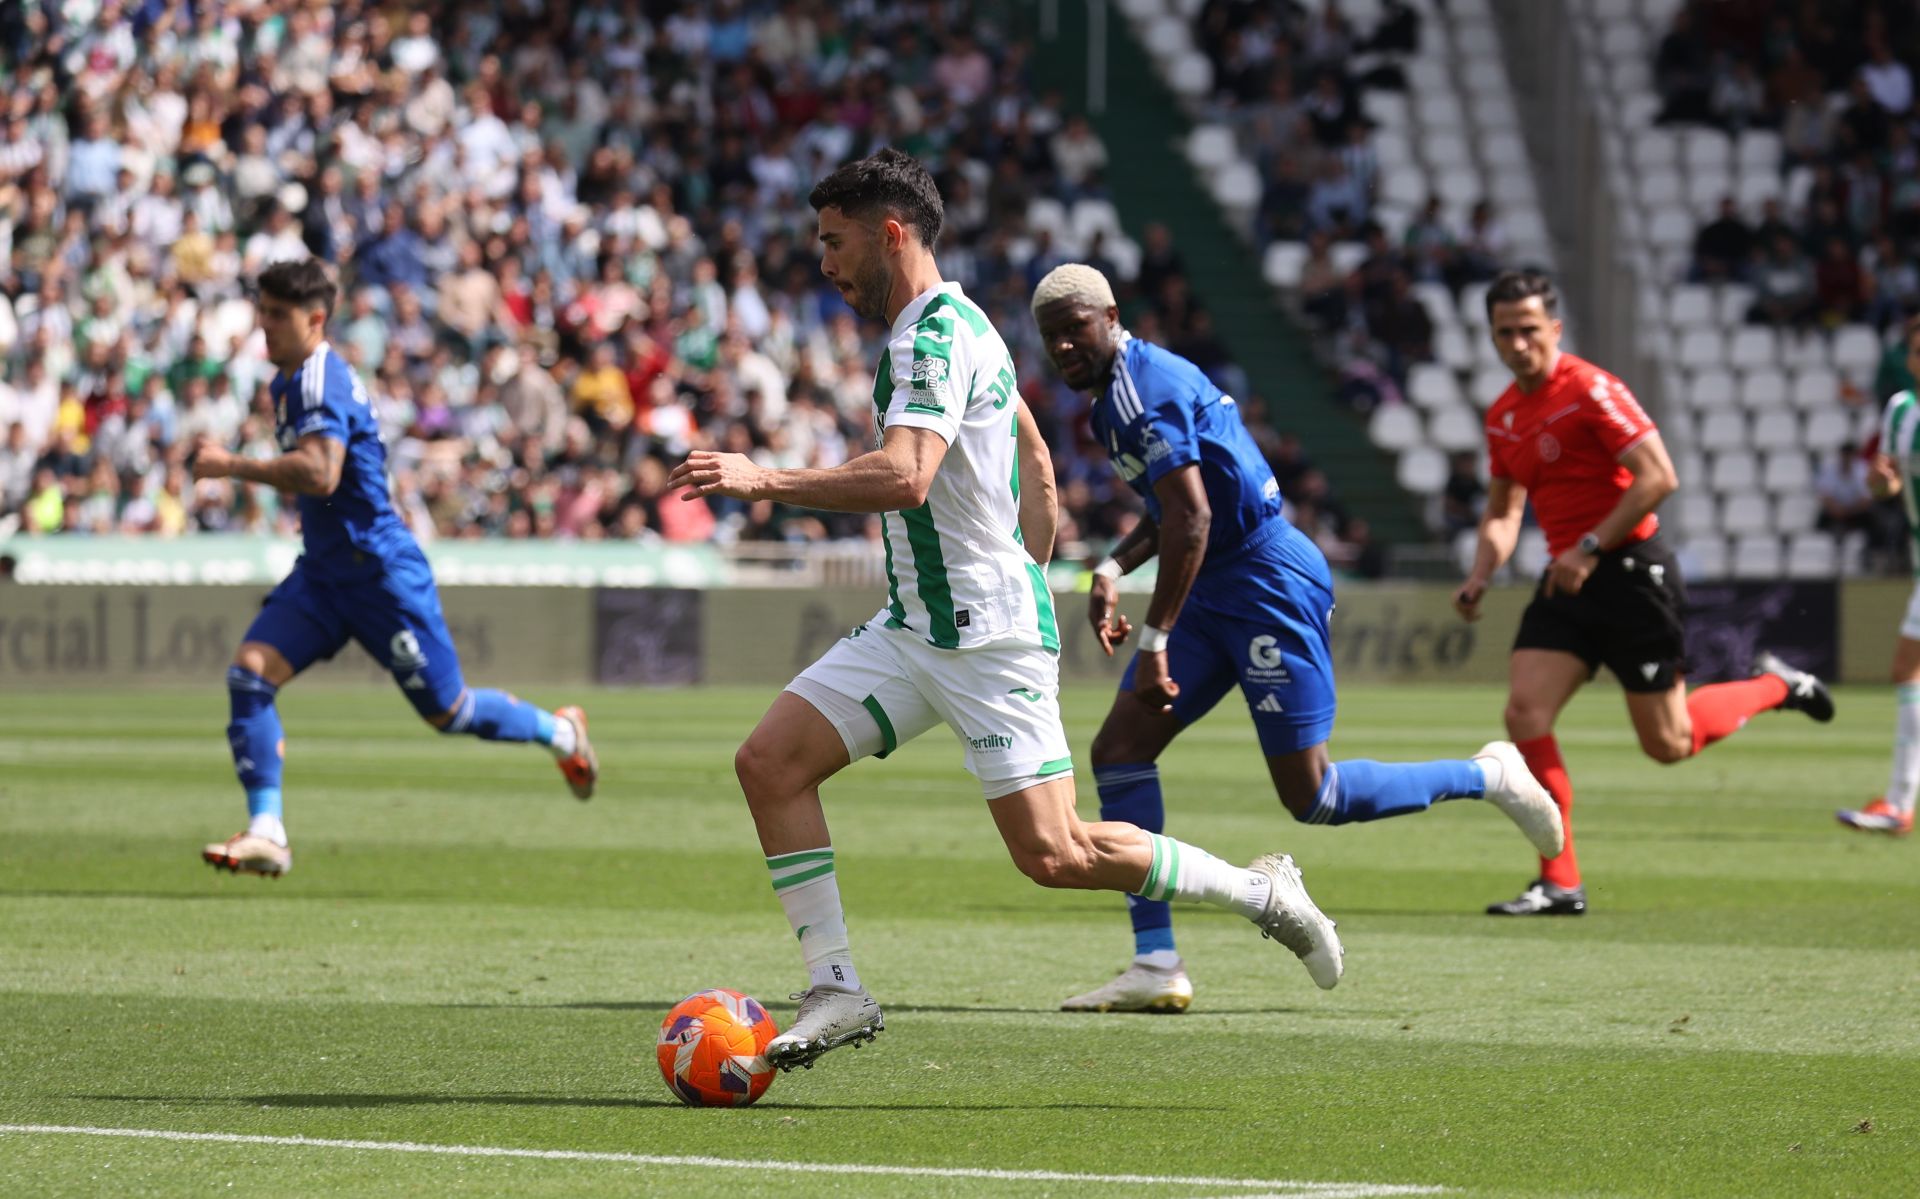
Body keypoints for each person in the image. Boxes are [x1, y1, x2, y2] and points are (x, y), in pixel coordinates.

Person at [667, 150, 1343, 1071]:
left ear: (890, 234)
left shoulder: (930, 339)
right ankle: (836, 987)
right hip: (918, 624)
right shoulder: (967, 322)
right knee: (770, 763)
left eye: (834, 242)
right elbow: (1032, 447)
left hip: (986, 637)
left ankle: (1262, 893)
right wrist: (1033, 539)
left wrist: (762, 479)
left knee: (1056, 854)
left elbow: (907, 476)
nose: (823, 263)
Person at [1030, 264, 1560, 1013]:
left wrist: (1153, 641)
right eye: (1051, 335)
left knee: (1314, 795)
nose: (1063, 345)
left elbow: (1193, 519)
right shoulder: (1115, 399)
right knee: (1119, 749)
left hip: (1266, 581)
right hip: (1214, 583)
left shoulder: (1144, 390)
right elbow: (1177, 507)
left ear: (1111, 317)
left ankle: (1488, 775)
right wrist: (1113, 567)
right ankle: (1156, 961)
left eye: (1075, 327)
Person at [189, 260, 598, 877]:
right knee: (249, 675)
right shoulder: (290, 379)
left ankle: (562, 733)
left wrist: (232, 466)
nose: (264, 325)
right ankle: (268, 832)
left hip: (379, 574)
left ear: (315, 319)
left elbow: (321, 473)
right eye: (262, 311)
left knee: (450, 712)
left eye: (277, 314)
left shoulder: (318, 380)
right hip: (325, 572)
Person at [1454, 270, 1834, 915]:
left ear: (1555, 328)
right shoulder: (1504, 416)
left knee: (1668, 744)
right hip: (1567, 578)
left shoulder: (1592, 389)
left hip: (1631, 572)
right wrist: (1481, 574)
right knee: (1524, 715)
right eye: (1504, 332)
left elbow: (1658, 477)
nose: (1518, 344)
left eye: (1528, 329)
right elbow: (1503, 510)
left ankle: (1777, 685)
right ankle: (1560, 881)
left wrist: (1589, 546)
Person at [1839, 315, 1920, 837]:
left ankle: (1899, 803)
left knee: (1908, 668)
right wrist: (1878, 481)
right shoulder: (1902, 411)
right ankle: (1898, 803)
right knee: (1908, 669)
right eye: (1917, 350)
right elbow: (1885, 487)